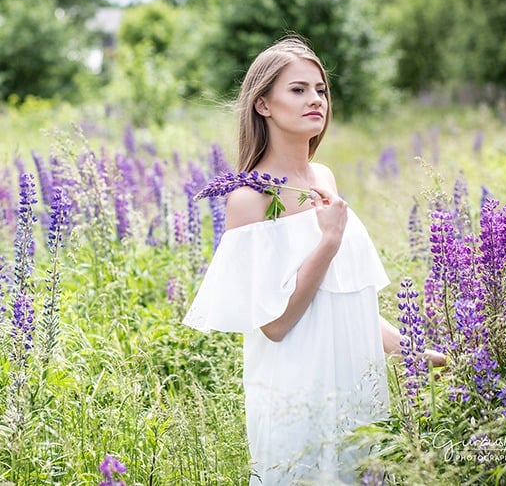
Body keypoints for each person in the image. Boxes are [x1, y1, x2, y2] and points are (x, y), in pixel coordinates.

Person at [182, 35, 445, 485]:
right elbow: (276, 325)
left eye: (321, 89)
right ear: (263, 104)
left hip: (356, 390)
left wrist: (417, 353)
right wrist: (327, 243)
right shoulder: (250, 200)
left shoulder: (324, 178)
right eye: (298, 89)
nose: (316, 100)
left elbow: (344, 302)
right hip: (295, 396)